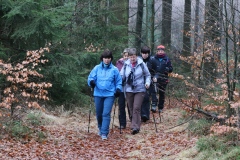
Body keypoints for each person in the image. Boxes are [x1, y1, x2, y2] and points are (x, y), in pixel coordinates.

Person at [87, 49, 122, 140]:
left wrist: (118, 89)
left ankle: (104, 133)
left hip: (110, 94)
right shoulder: (97, 68)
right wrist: (91, 82)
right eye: (105, 58)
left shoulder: (114, 69)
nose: (106, 60)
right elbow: (90, 77)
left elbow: (119, 81)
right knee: (99, 113)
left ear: (111, 59)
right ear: (102, 58)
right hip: (98, 93)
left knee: (106, 113)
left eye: (108, 58)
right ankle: (100, 128)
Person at [120, 48, 151, 135]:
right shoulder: (125, 65)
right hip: (129, 89)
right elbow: (122, 76)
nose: (132, 59)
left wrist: (147, 83)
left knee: (136, 108)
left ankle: (135, 127)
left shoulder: (141, 64)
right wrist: (119, 82)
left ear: (136, 56)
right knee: (130, 108)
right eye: (131, 57)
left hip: (140, 89)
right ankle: (134, 122)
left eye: (134, 57)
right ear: (128, 57)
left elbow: (147, 75)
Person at [148, 45, 173, 113]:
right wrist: (153, 76)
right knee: (154, 92)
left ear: (164, 51)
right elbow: (150, 69)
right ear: (157, 51)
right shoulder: (153, 59)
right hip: (155, 78)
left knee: (162, 93)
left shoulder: (167, 59)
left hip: (163, 79)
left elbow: (171, 69)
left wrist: (168, 69)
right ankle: (154, 105)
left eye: (162, 51)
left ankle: (160, 107)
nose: (160, 52)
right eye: (159, 51)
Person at [139, 46, 158, 122]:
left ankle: (145, 115)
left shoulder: (152, 60)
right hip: (139, 81)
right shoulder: (138, 60)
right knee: (140, 97)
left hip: (150, 80)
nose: (144, 55)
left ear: (148, 53)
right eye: (143, 53)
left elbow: (157, 71)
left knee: (146, 97)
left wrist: (156, 77)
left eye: (146, 53)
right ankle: (141, 114)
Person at [116, 48, 130, 129]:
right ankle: (122, 123)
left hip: (129, 87)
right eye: (125, 56)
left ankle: (133, 121)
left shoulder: (132, 63)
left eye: (128, 56)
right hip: (121, 86)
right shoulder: (119, 63)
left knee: (130, 105)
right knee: (121, 105)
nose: (126, 57)